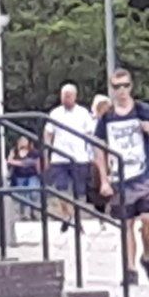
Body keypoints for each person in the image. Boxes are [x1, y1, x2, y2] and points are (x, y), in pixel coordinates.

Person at [94, 68, 149, 285]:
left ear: (131, 86)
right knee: (126, 223)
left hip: (145, 173)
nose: (122, 90)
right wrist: (104, 179)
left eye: (125, 85)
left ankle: (147, 256)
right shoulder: (107, 117)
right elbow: (99, 148)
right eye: (117, 87)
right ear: (112, 89)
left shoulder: (143, 110)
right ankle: (130, 269)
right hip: (120, 177)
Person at [43, 84, 98, 231]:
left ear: (75, 96)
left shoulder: (83, 113)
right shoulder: (55, 113)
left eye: (68, 95)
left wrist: (92, 154)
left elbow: (90, 133)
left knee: (78, 192)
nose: (66, 98)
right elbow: (48, 133)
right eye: (63, 95)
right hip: (59, 157)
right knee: (60, 188)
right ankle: (69, 215)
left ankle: (75, 217)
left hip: (79, 157)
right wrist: (46, 153)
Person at [6, 136, 42, 220]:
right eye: (21, 141)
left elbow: (30, 162)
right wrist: (12, 159)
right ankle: (24, 214)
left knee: (33, 192)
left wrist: (15, 162)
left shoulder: (33, 152)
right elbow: (9, 161)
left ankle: (33, 211)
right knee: (23, 195)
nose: (23, 142)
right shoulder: (14, 151)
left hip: (32, 175)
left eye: (25, 141)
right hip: (19, 176)